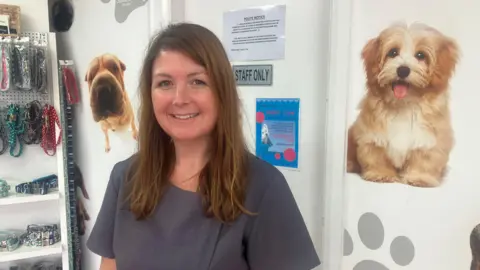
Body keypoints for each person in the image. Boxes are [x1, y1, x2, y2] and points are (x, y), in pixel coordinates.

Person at [87, 22, 320, 270]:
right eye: (165, 83)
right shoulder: (124, 178)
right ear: (150, 93)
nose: (180, 99)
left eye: (197, 81)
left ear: (222, 91)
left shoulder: (263, 187)